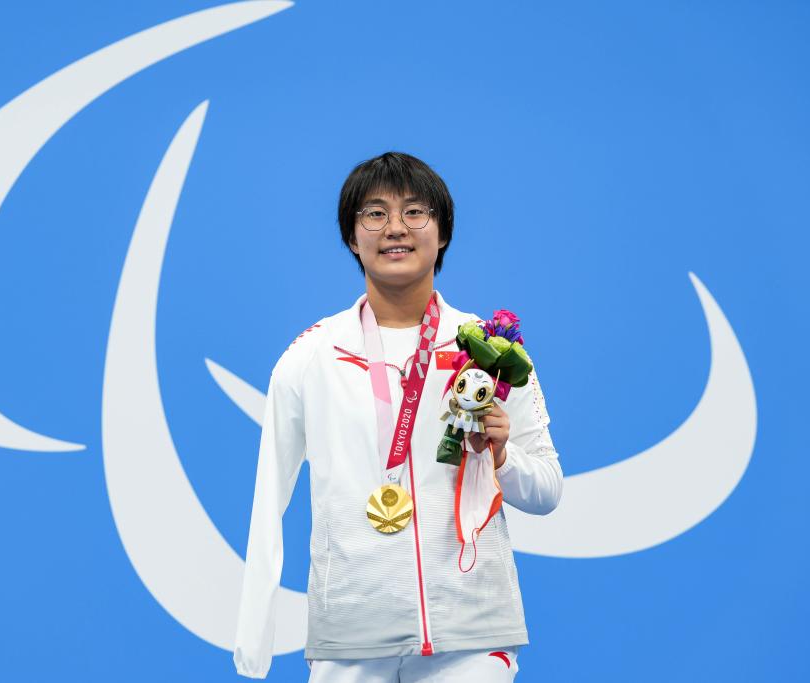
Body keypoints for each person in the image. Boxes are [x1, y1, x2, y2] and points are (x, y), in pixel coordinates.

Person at [233, 152, 563, 682]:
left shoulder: (491, 351)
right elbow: (268, 493)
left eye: (415, 212)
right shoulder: (311, 356)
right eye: (374, 213)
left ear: (443, 231)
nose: (395, 228)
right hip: (351, 636)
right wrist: (254, 640)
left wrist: (503, 457)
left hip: (471, 633)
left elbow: (547, 490)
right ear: (351, 237)